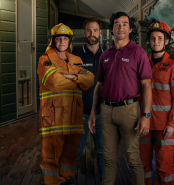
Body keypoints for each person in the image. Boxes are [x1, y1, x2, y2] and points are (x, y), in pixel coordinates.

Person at [88, 11, 152, 185]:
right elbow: (99, 85)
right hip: (106, 111)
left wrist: (146, 115)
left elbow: (146, 85)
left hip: (129, 110)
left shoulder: (138, 53)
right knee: (108, 160)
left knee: (133, 159)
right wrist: (94, 112)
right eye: (117, 24)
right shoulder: (105, 55)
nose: (121, 27)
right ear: (112, 29)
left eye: (124, 24)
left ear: (130, 29)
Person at [37, 23, 94, 185]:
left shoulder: (76, 60)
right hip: (53, 120)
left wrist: (70, 77)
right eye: (58, 38)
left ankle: (64, 181)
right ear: (53, 41)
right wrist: (77, 78)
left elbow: (89, 79)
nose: (62, 41)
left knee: (69, 158)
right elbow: (54, 81)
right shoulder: (45, 60)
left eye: (65, 38)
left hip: (72, 119)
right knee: (50, 159)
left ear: (70, 41)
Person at [139, 20, 174, 185]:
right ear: (149, 40)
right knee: (142, 166)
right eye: (153, 38)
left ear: (166, 41)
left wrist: (172, 124)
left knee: (164, 169)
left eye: (160, 38)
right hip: (145, 123)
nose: (156, 42)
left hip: (166, 126)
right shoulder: (143, 62)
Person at [70, 17, 104, 185]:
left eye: (95, 30)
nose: (92, 33)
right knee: (75, 151)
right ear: (84, 33)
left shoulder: (107, 56)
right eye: (89, 30)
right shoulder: (75, 54)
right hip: (80, 114)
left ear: (100, 32)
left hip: (101, 114)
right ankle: (71, 182)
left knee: (102, 152)